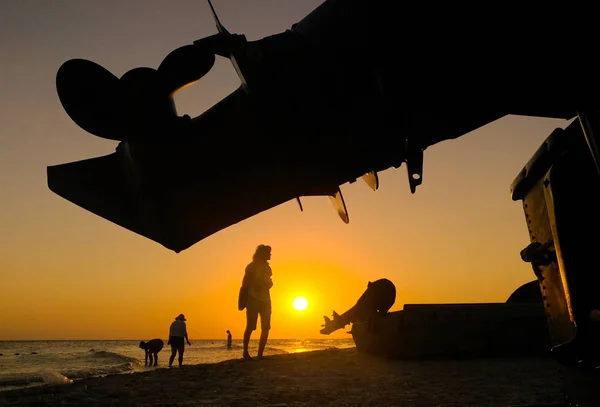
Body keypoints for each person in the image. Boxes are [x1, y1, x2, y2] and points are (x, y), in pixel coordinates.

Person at [320, 278, 396, 335]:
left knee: (358, 309)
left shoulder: (369, 302)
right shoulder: (372, 306)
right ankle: (335, 323)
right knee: (358, 310)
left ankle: (335, 323)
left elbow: (361, 310)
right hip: (387, 295)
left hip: (381, 289)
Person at [241, 244, 273, 360]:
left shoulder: (268, 268)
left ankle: (260, 354)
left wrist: (268, 284)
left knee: (266, 327)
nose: (270, 255)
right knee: (250, 326)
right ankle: (245, 352)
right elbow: (245, 282)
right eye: (268, 253)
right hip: (253, 298)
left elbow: (269, 281)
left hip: (266, 299)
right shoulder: (251, 266)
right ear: (262, 253)